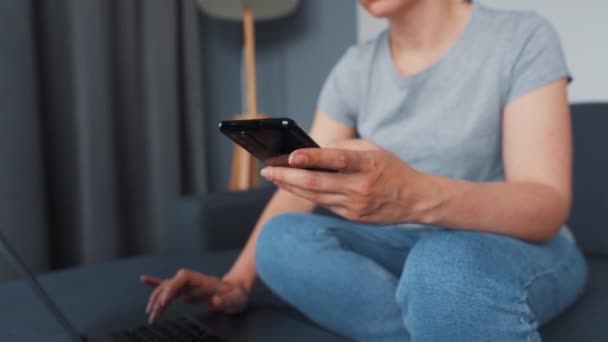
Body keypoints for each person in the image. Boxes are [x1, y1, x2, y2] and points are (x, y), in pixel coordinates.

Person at [141, 0, 588, 340]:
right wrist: (236, 282)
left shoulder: (521, 37)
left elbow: (545, 206)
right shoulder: (356, 67)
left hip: (513, 242)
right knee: (281, 240)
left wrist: (415, 195)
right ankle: (431, 316)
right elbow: (300, 183)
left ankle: (436, 302)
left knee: (442, 268)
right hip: (402, 243)